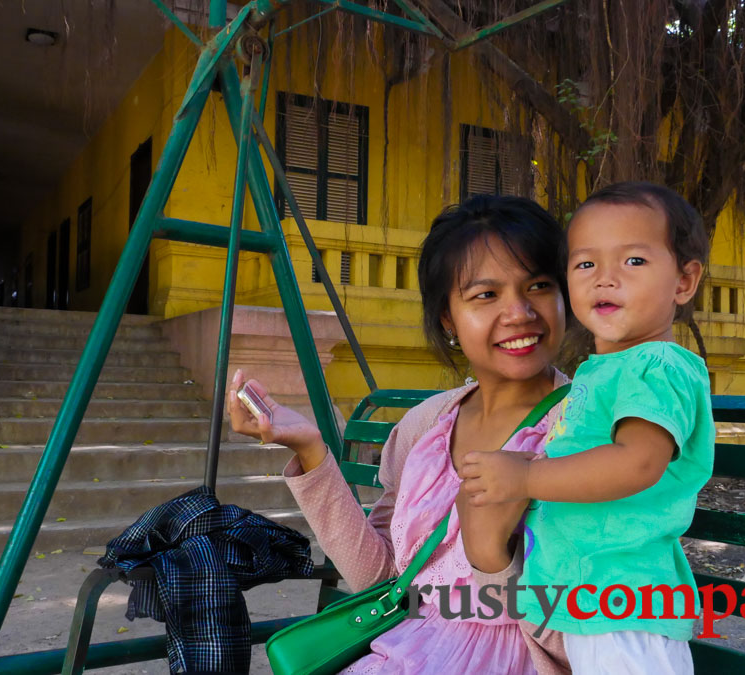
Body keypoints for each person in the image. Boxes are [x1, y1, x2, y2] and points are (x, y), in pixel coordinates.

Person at [228, 194, 573, 674]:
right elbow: (387, 580)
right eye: (485, 295)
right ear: (448, 318)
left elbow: (606, 616)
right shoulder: (427, 427)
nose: (519, 312)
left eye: (538, 285)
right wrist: (309, 450)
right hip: (406, 653)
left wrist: (495, 561)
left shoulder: (585, 434)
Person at [460, 182, 713, 674]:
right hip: (593, 602)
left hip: (625, 606)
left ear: (684, 281)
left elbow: (638, 462)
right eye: (585, 264)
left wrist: (526, 479)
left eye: (634, 262)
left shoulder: (657, 365)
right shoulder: (606, 371)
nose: (605, 279)